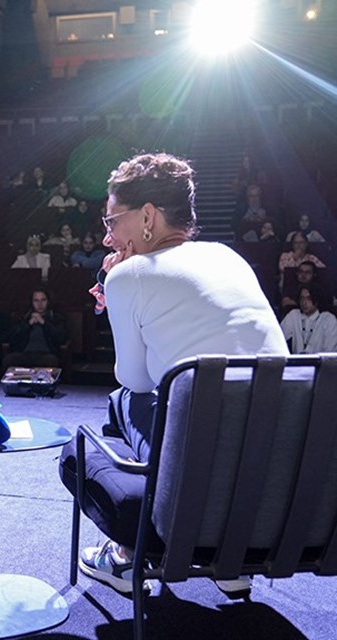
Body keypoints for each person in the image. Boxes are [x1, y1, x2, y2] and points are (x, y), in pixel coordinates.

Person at [61, 152, 287, 599]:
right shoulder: (228, 257)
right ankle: (230, 560)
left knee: (112, 410)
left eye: (112, 222)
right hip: (280, 492)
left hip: (196, 491)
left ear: (147, 216)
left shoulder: (128, 275)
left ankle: (126, 556)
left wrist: (116, 296)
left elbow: (135, 381)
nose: (108, 239)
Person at [1, 288, 66, 369]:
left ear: (48, 301)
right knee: (8, 360)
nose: (40, 304)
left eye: (43, 300)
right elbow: (12, 337)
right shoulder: (23, 318)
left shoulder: (56, 318)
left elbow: (60, 338)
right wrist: (28, 324)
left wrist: (43, 323)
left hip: (46, 354)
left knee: (51, 361)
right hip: (24, 354)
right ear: (31, 302)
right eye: (36, 300)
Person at [279, 284, 337, 353]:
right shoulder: (294, 315)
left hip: (319, 362)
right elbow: (278, 337)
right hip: (297, 362)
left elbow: (330, 351)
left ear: (316, 299)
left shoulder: (328, 319)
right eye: (302, 298)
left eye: (308, 298)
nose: (304, 302)